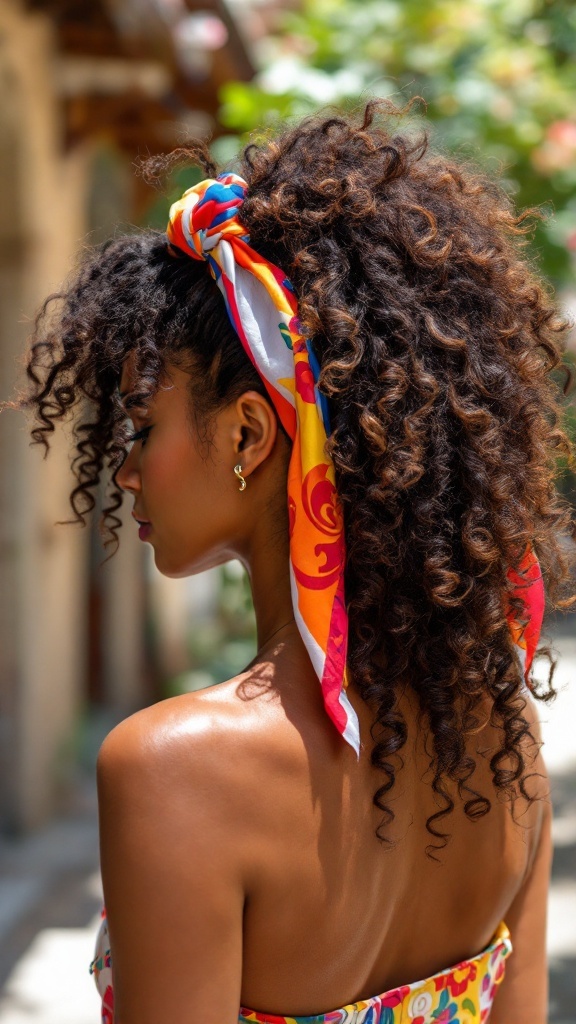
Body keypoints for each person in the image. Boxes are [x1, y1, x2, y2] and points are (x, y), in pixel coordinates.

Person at [12, 99, 576, 1024]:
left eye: (142, 426)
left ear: (247, 431)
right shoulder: (505, 738)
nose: (123, 470)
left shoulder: (173, 771)